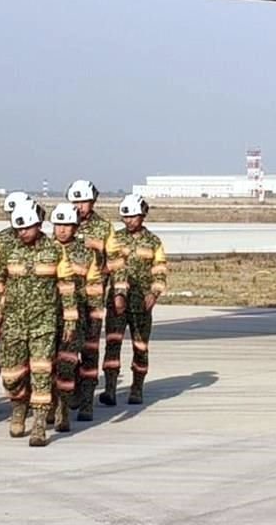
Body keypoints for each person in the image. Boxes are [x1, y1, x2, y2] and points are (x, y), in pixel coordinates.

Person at [0, 201, 77, 446]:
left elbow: (67, 288)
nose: (22, 232)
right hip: (13, 323)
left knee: (41, 373)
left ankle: (38, 425)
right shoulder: (7, 252)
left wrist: (70, 321)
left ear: (37, 225)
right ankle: (18, 406)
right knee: (11, 375)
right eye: (19, 229)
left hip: (44, 323)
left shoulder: (55, 251)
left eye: (27, 227)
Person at [102, 195, 166, 405]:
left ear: (143, 215)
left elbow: (159, 271)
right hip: (117, 303)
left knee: (140, 347)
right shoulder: (115, 240)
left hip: (141, 304)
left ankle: (137, 388)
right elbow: (106, 268)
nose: (129, 220)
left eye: (133, 216)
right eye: (125, 216)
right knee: (113, 344)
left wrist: (154, 294)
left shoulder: (153, 242)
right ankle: (110, 389)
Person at [47, 202, 103, 430]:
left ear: (76, 227)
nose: (62, 230)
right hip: (48, 318)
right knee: (48, 364)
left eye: (67, 225)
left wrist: (96, 317)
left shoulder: (87, 254)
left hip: (79, 317)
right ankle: (53, 401)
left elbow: (94, 288)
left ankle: (80, 403)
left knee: (72, 364)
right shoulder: (44, 251)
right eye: (58, 224)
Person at [0, 189, 33, 413]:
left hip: (23, 308)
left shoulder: (36, 240)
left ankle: (24, 395)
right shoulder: (0, 240)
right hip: (2, 306)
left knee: (24, 354)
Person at [66, 179, 118, 410]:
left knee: (90, 348)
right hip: (67, 300)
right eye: (75, 201)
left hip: (93, 299)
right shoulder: (64, 222)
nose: (78, 206)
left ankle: (86, 397)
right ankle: (73, 385)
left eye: (83, 201)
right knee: (66, 348)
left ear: (93, 201)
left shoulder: (104, 228)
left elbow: (116, 261)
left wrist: (100, 275)